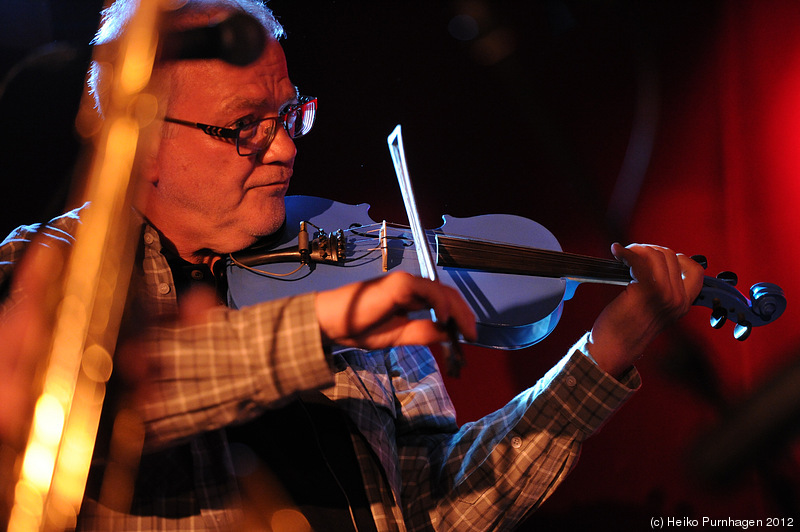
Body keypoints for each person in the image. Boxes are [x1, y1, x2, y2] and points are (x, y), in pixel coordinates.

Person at [0, 0, 704, 530]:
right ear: (141, 139)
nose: (284, 149)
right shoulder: (47, 266)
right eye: (245, 127)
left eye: (289, 114)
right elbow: (77, 393)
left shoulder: (344, 259)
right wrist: (322, 325)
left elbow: (429, 505)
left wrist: (604, 353)